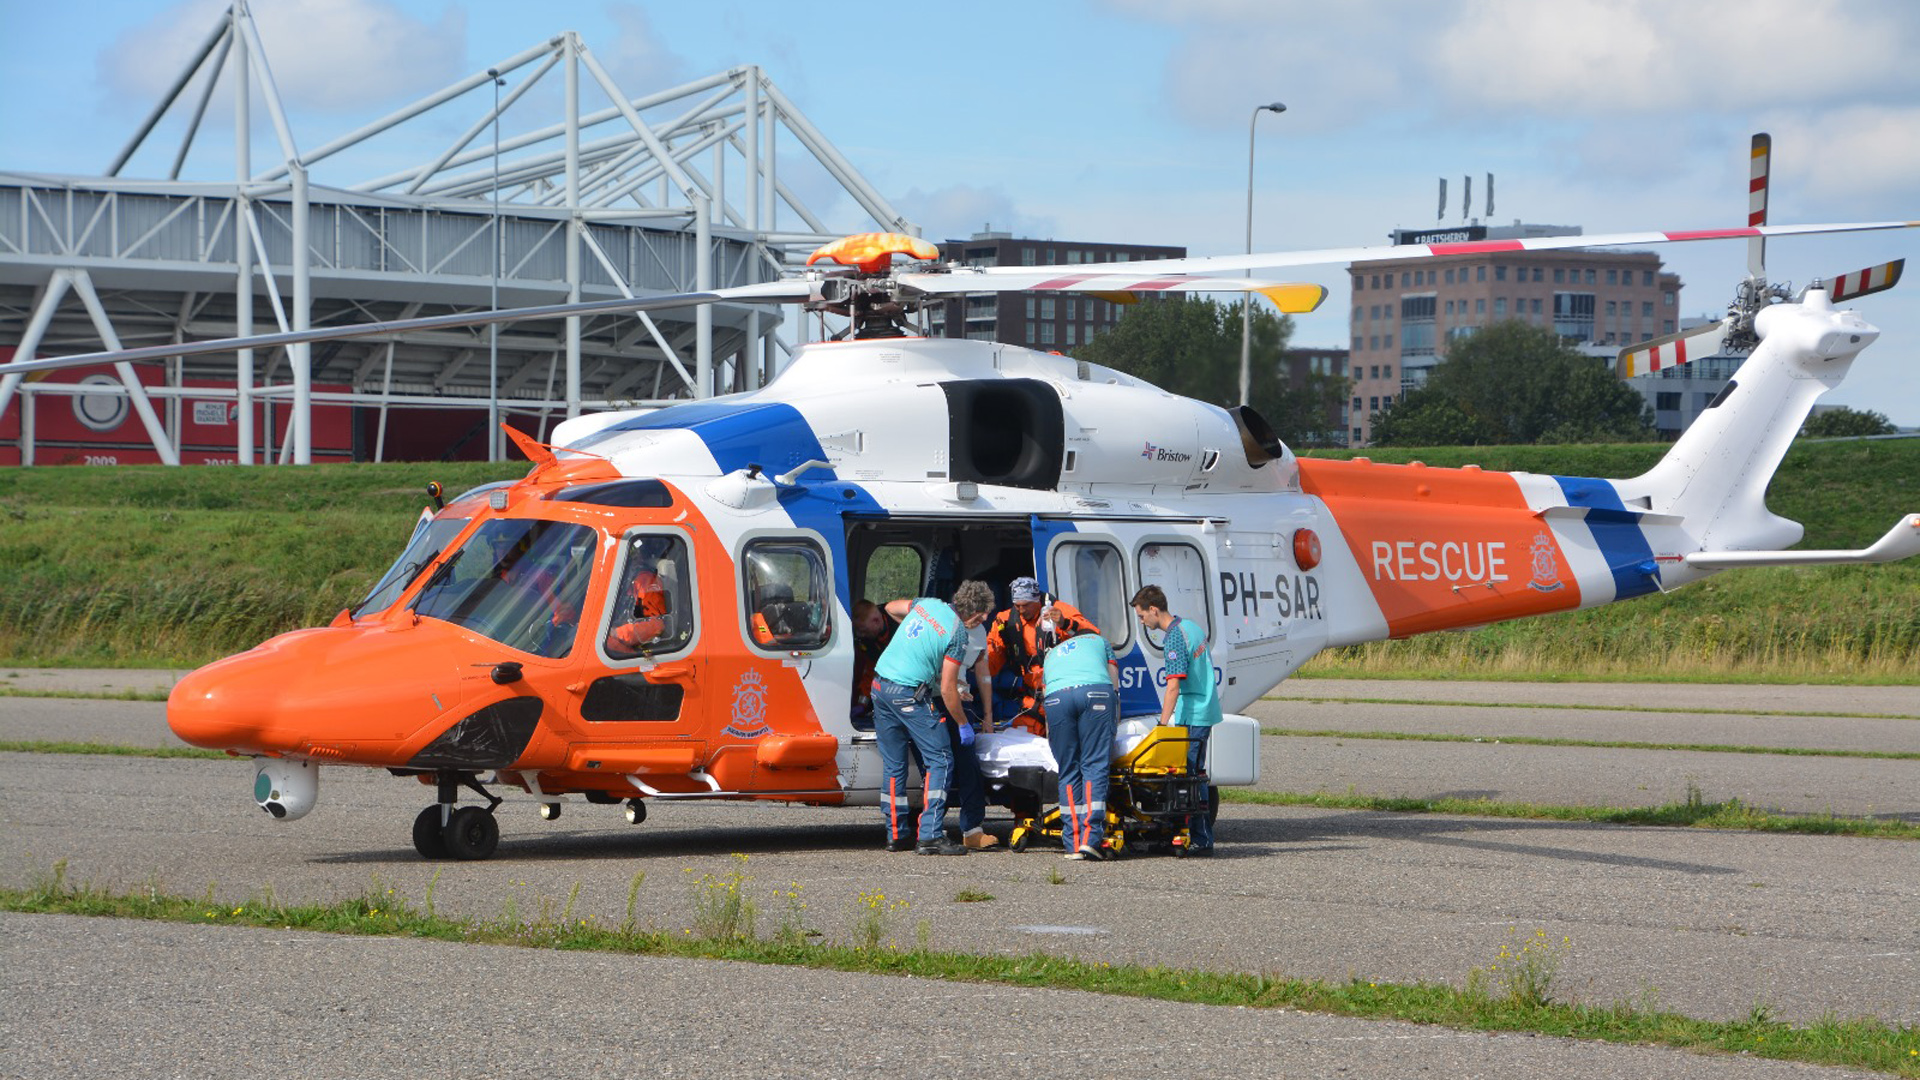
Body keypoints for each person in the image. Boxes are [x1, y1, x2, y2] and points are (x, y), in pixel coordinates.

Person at [870, 580, 995, 855]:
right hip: (907, 693)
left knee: (894, 765)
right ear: (974, 613)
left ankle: (896, 835)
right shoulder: (958, 633)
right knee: (941, 759)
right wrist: (963, 724)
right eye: (984, 614)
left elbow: (891, 607)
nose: (985, 619)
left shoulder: (927, 604)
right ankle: (930, 835)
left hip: (879, 686)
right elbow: (949, 690)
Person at [1132, 584, 1221, 855]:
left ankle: (1201, 839)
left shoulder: (1173, 638)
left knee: (1190, 778)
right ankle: (1186, 833)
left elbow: (1173, 685)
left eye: (1141, 615)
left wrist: (1162, 725)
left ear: (1154, 610)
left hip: (1192, 712)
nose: (1141, 621)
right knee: (1195, 775)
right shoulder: (1191, 627)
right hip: (1204, 708)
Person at [1040, 626, 1120, 860]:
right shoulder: (1100, 641)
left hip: (1056, 699)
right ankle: (1090, 839)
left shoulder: (1053, 653)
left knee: (1068, 770)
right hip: (1094, 693)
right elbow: (1113, 679)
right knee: (1093, 765)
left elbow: (1045, 690)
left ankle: (1072, 843)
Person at [987, 576, 1098, 735]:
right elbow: (991, 662)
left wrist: (1065, 624)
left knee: (1066, 739)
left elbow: (1094, 638)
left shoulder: (1060, 611)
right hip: (1032, 700)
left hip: (1064, 694)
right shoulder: (1005, 621)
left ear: (1037, 600)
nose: (1021, 610)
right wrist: (973, 664)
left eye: (1026, 605)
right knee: (1022, 741)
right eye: (1017, 606)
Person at [606, 536, 672, 656]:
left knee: (607, 643)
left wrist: (617, 633)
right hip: (618, 639)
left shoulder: (645, 580)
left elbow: (656, 625)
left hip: (630, 649)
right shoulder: (621, 579)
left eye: (634, 554)